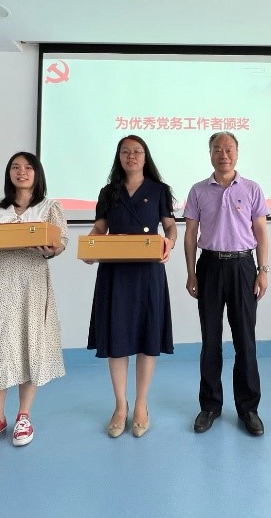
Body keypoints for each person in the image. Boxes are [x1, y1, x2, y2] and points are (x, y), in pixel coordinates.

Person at [0, 151, 68, 450]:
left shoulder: (50, 207)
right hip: (2, 280)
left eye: (28, 167)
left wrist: (51, 250)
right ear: (9, 174)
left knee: (29, 343)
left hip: (33, 280)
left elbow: (60, 244)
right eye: (15, 167)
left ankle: (24, 416)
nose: (22, 172)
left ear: (37, 173)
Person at [84, 135, 176, 439]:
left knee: (148, 337)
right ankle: (120, 406)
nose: (131, 156)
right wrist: (90, 246)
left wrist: (170, 242)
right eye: (125, 152)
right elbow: (100, 227)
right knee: (117, 337)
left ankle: (141, 405)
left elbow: (170, 225)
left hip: (148, 272)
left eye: (137, 151)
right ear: (119, 157)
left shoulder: (159, 190)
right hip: (115, 271)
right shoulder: (108, 192)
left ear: (145, 157)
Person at [183, 131, 269, 437]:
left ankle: (248, 408)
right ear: (210, 154)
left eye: (229, 149)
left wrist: (263, 270)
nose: (224, 154)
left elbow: (261, 232)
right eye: (217, 149)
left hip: (243, 266)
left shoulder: (251, 188)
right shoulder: (198, 191)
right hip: (209, 266)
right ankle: (210, 406)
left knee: (245, 339)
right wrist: (191, 272)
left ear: (237, 152)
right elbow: (190, 234)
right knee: (210, 339)